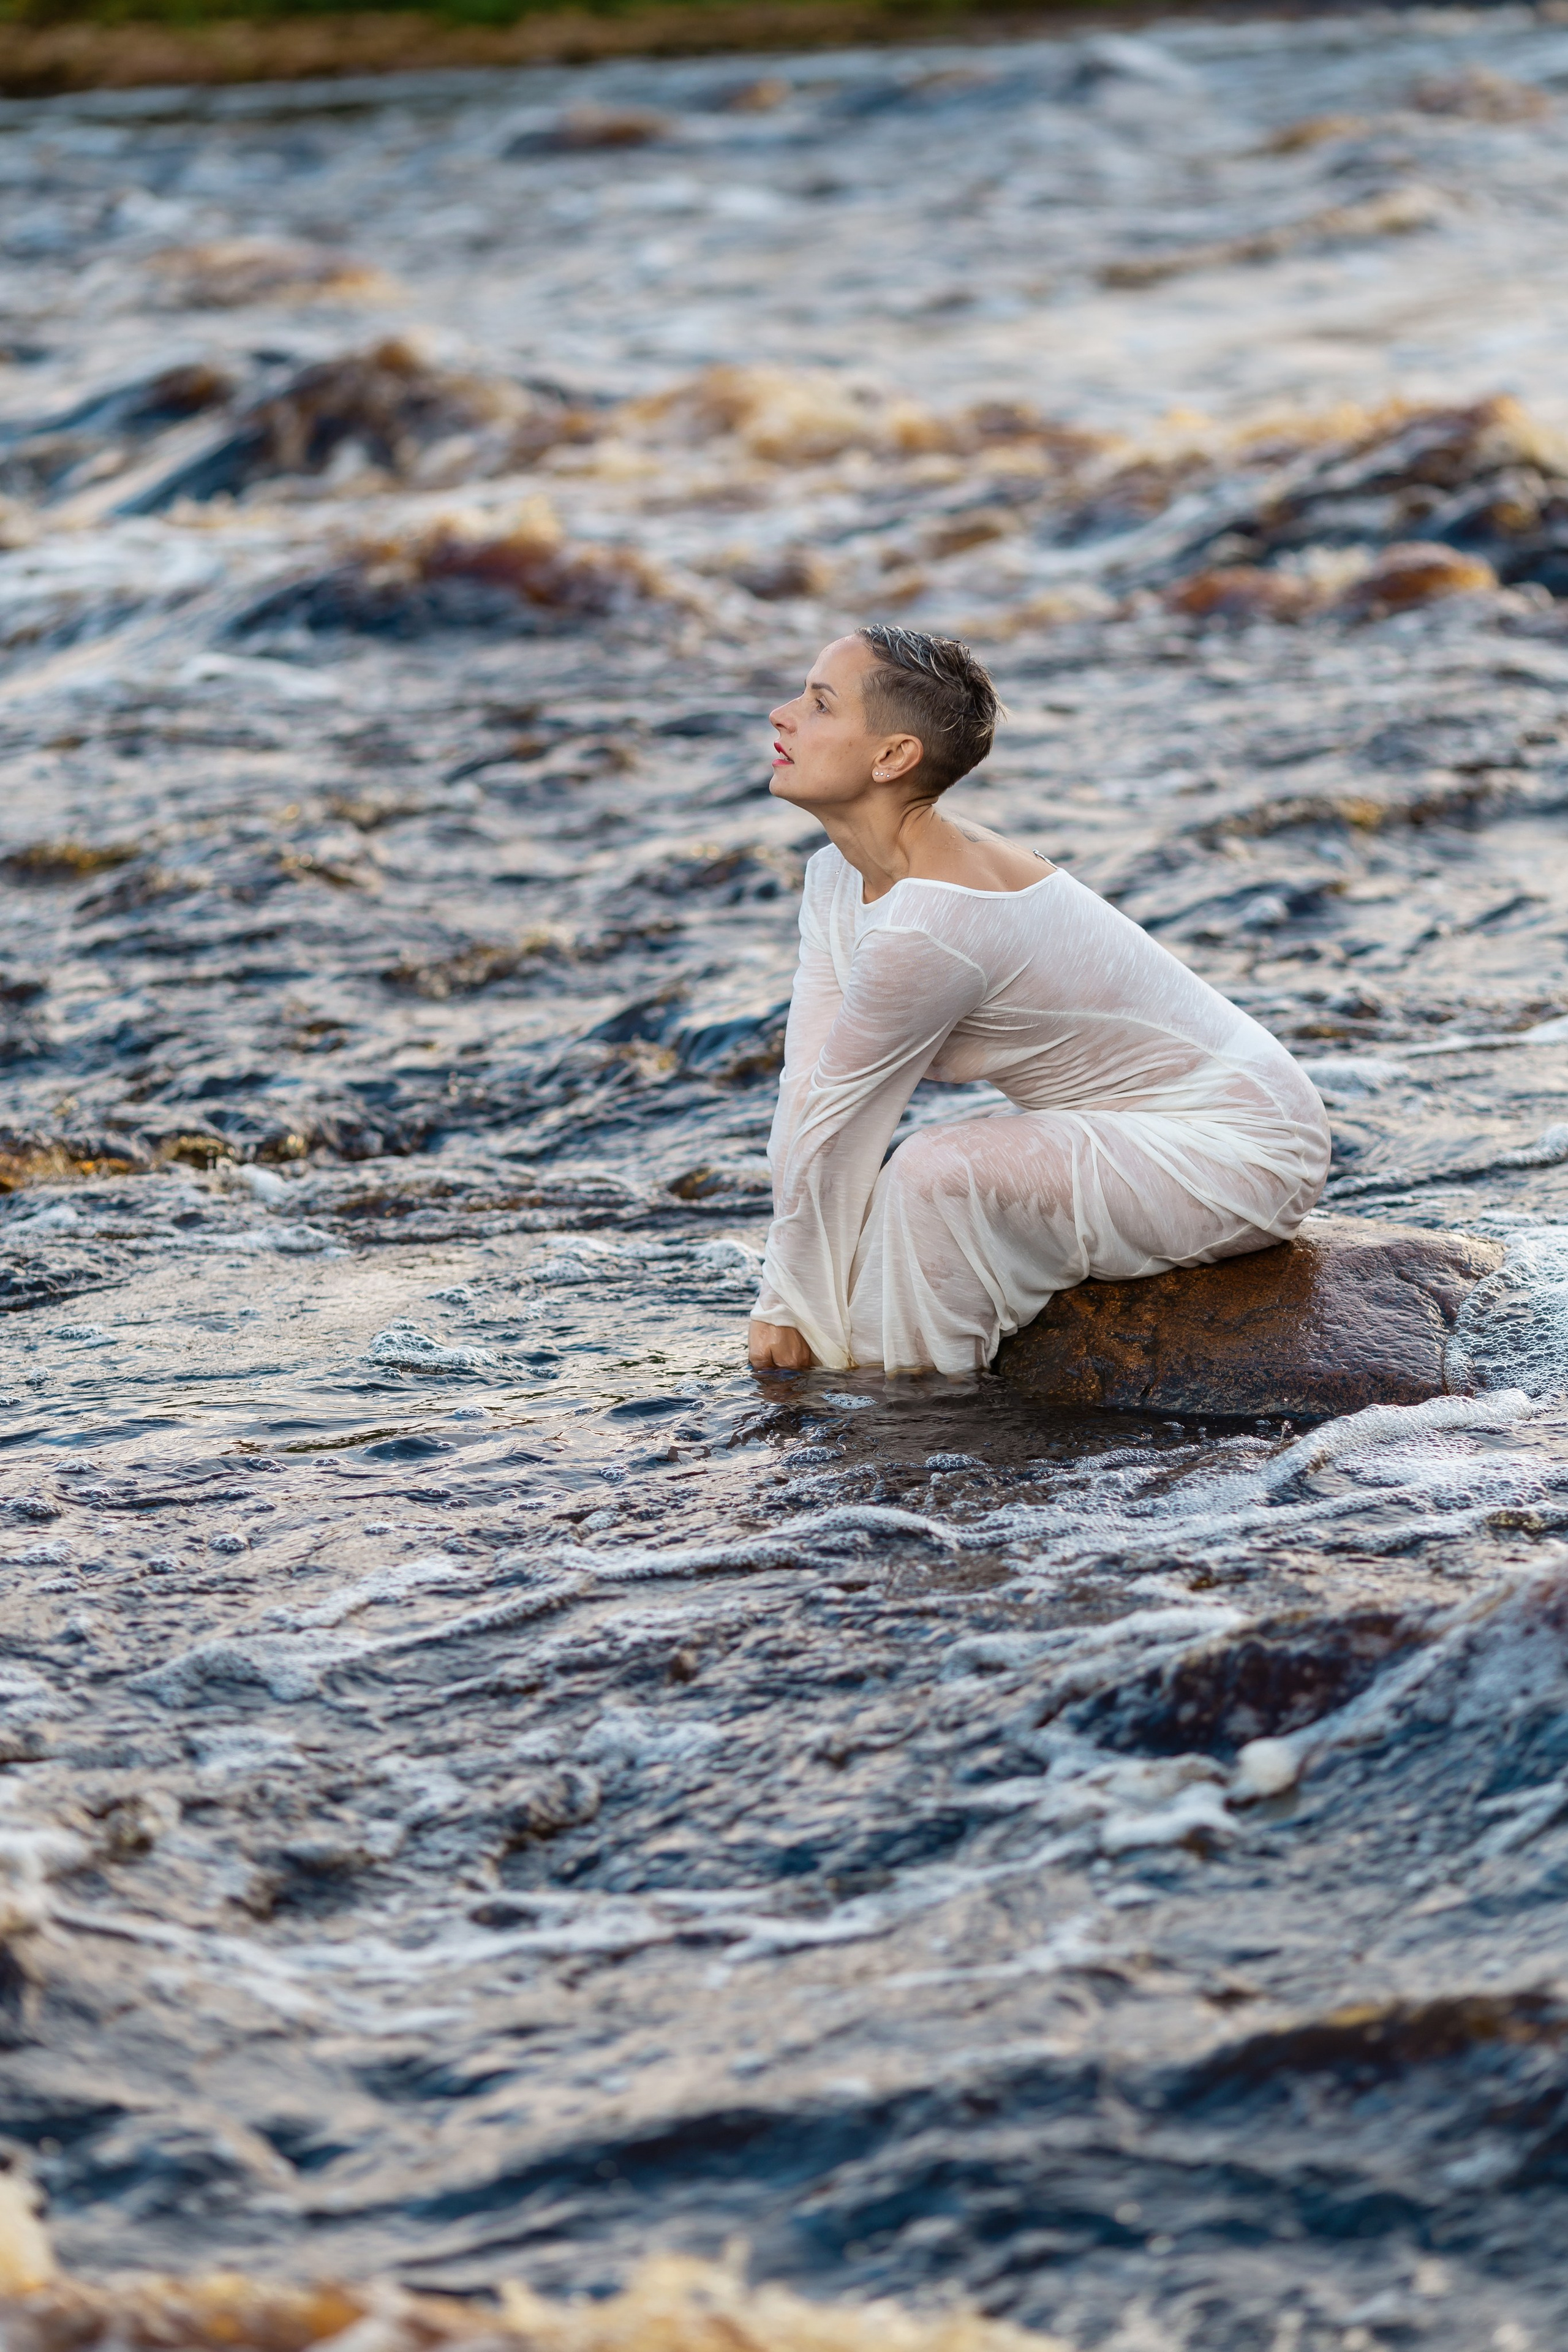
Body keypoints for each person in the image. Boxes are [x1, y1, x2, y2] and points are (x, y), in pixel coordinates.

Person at [747, 624, 1331, 1377]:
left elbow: (840, 1121)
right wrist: (788, 1302)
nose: (781, 715)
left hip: (1246, 1147)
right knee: (896, 1195)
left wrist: (785, 1309)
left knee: (931, 1176)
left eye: (819, 704)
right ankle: (879, 1414)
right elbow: (810, 1092)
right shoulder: (836, 876)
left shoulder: (932, 923)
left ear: (893, 757)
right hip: (1139, 1127)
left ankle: (910, 1428)